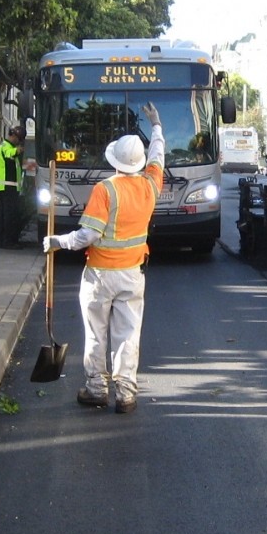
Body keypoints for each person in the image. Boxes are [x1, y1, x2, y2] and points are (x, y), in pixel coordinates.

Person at [41, 103, 164, 414]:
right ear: (139, 163)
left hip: (99, 275)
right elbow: (158, 158)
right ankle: (126, 395)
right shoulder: (151, 186)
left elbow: (87, 236)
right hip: (132, 274)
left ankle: (97, 389)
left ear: (115, 161)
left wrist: (57, 241)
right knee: (128, 335)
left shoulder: (105, 189)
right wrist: (157, 127)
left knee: (97, 333)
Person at [0, 125, 26, 249]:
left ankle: (4, 241)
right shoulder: (6, 146)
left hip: (8, 187)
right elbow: (8, 154)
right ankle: (7, 242)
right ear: (14, 136)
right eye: (19, 139)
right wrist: (18, 150)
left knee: (5, 215)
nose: (19, 142)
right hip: (7, 187)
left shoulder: (8, 146)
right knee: (8, 215)